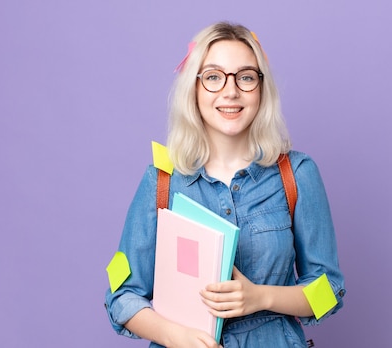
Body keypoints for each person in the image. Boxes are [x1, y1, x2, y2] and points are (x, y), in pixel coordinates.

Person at [105, 21, 345, 348]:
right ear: (194, 88)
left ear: (261, 89)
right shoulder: (161, 180)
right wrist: (177, 337)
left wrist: (260, 297)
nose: (230, 92)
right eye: (214, 77)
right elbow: (121, 297)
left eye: (245, 77)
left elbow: (329, 292)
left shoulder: (297, 174)